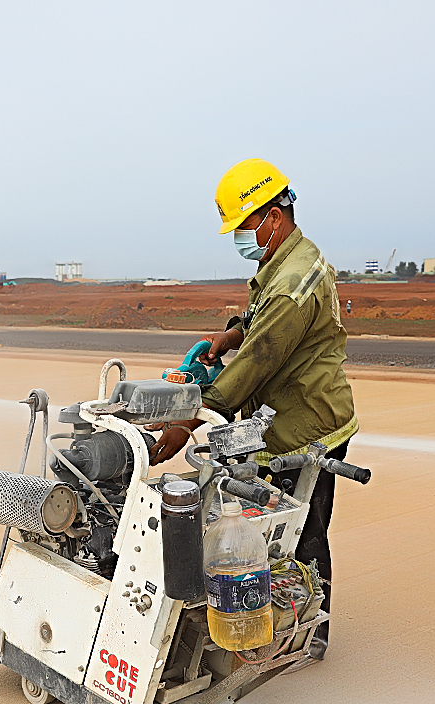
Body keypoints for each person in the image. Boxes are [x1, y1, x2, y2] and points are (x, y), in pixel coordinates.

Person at [148, 158, 357, 658]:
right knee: (276, 525)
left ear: (273, 216)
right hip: (284, 416)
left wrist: (188, 421)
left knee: (300, 531)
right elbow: (260, 326)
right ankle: (280, 620)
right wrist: (233, 333)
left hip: (308, 426)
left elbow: (258, 363)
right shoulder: (288, 259)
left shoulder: (292, 282)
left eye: (243, 227)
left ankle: (310, 635)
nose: (241, 238)